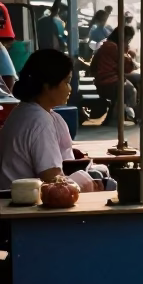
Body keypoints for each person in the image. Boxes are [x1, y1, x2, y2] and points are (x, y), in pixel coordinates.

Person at [0, 49, 107, 192]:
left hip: (17, 194)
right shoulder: (40, 121)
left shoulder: (26, 111)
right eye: (66, 82)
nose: (70, 89)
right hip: (23, 202)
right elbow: (52, 179)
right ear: (47, 85)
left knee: (99, 173)